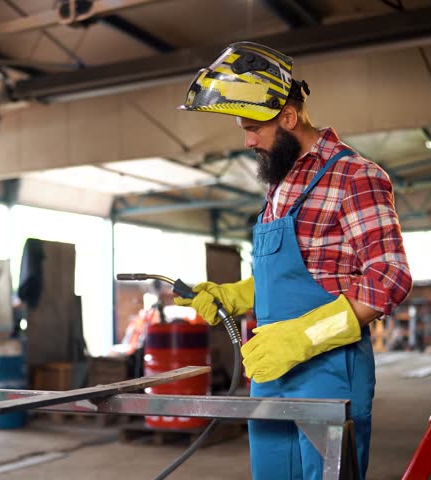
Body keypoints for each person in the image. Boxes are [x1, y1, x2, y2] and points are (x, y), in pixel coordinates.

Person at [174, 42, 413, 480]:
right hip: (271, 370)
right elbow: (295, 269)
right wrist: (234, 295)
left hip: (327, 371)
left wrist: (302, 338)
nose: (247, 140)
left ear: (288, 117)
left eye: (254, 128)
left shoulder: (355, 176)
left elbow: (390, 278)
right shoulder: (279, 184)